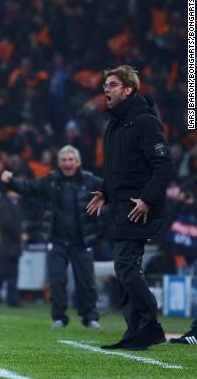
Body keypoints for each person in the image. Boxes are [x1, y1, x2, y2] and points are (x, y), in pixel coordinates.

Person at [86, 65, 174, 350]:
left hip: (140, 207)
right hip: (122, 206)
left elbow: (164, 165)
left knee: (126, 267)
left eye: (111, 85)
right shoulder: (115, 123)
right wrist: (106, 193)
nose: (105, 90)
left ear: (128, 90)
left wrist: (147, 199)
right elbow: (119, 169)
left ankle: (150, 323)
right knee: (123, 269)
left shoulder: (144, 121)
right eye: (105, 85)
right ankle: (137, 331)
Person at [2, 145, 102, 328]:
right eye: (64, 160)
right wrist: (10, 182)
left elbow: (109, 191)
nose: (68, 163)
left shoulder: (91, 181)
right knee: (57, 281)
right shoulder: (51, 180)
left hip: (82, 240)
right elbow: (29, 187)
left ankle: (90, 317)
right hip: (57, 240)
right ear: (59, 163)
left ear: (78, 162)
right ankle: (59, 317)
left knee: (86, 281)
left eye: (71, 159)